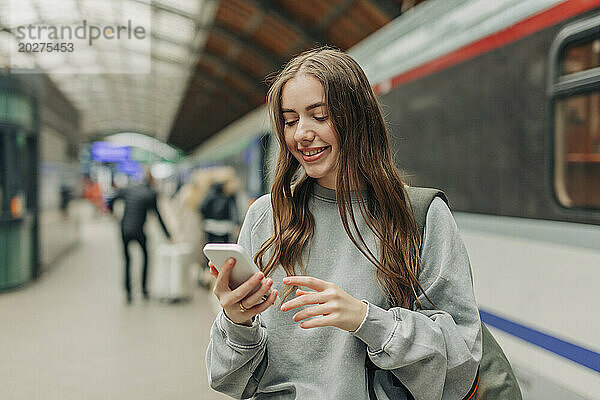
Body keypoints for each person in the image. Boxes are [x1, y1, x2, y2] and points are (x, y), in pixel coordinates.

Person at [205, 48, 482, 400]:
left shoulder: (419, 215)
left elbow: (461, 362)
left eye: (319, 116)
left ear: (357, 118)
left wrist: (367, 319)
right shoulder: (266, 217)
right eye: (290, 121)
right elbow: (225, 378)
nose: (301, 134)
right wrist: (236, 320)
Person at [108, 171, 171, 303]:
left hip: (124, 229)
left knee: (127, 260)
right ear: (152, 181)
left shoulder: (129, 189)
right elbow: (158, 216)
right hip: (138, 231)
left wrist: (112, 213)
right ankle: (143, 290)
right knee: (146, 258)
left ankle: (128, 292)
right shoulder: (150, 194)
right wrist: (167, 235)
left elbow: (111, 198)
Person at [200, 167, 241, 244]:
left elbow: (203, 208)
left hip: (215, 228)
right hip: (219, 228)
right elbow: (234, 212)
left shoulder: (212, 192)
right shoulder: (225, 195)